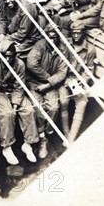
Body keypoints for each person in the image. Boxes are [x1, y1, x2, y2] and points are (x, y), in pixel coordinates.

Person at [0, 39, 39, 164]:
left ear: (14, 55)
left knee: (28, 110)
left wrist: (16, 103)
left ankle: (28, 144)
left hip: (13, 91)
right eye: (5, 57)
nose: (8, 59)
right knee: (7, 114)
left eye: (11, 57)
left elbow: (19, 86)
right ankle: (7, 147)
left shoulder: (19, 65)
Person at [26, 25, 68, 159]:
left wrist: (49, 83)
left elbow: (62, 72)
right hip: (35, 81)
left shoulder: (62, 49)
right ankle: (42, 136)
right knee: (38, 108)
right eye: (49, 36)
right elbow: (31, 64)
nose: (52, 39)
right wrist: (48, 78)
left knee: (54, 107)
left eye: (55, 36)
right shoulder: (40, 45)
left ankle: (47, 132)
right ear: (45, 36)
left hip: (50, 84)